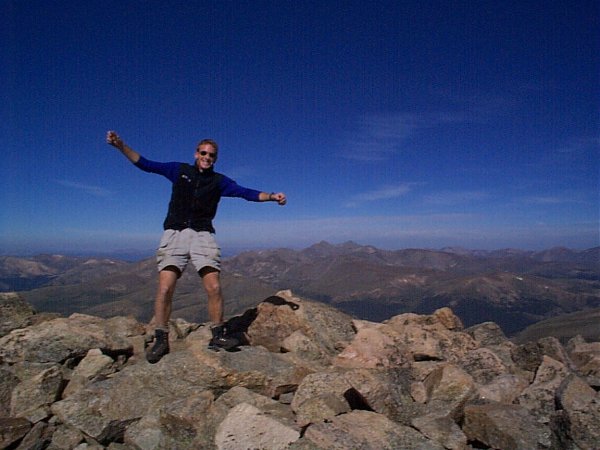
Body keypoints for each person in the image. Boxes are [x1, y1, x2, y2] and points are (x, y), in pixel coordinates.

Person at [106, 131, 286, 363]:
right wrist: (121, 146)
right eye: (203, 153)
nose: (207, 157)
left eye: (211, 155)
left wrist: (272, 196)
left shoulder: (219, 181)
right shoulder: (178, 170)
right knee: (165, 288)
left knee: (213, 287)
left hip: (203, 236)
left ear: (215, 159)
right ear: (196, 153)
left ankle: (218, 335)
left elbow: (246, 193)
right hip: (175, 234)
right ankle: (161, 338)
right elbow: (145, 164)